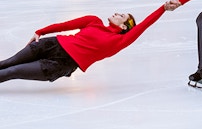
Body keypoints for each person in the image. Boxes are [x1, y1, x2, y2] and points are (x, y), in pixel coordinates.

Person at [0, 5, 165, 84]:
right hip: (52, 44)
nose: (116, 13)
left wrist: (163, 8)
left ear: (123, 27)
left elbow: (144, 25)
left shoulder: (118, 42)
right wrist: (40, 31)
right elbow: (66, 25)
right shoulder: (94, 21)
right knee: (9, 62)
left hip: (61, 64)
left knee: (13, 71)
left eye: (121, 15)